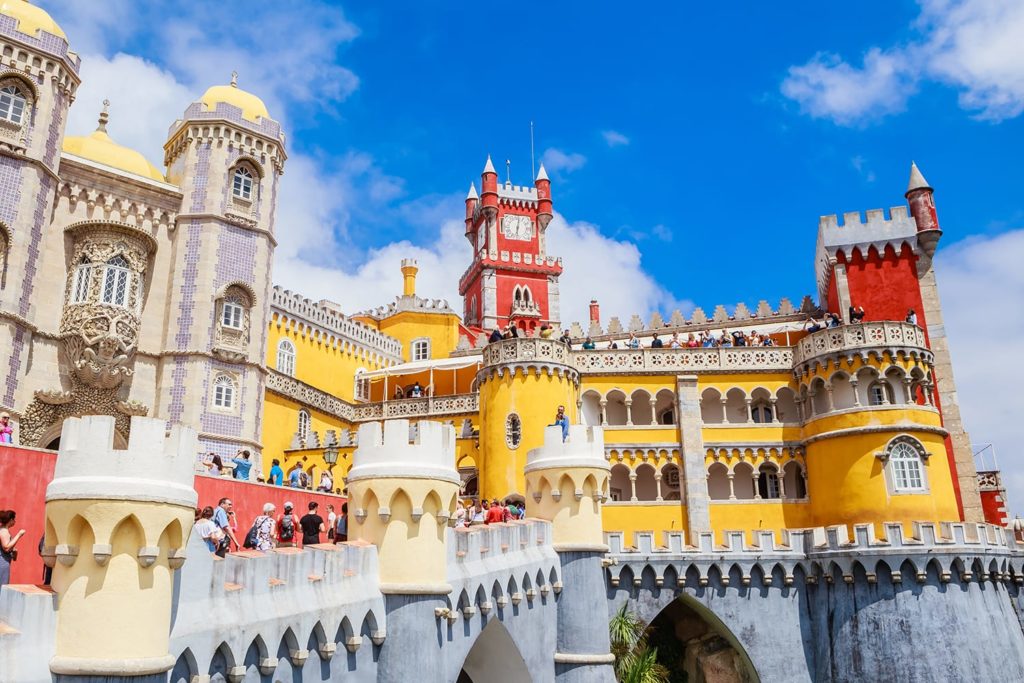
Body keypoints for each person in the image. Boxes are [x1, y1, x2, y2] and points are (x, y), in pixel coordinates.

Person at [0, 509, 25, 587]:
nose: (15, 521)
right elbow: (6, 547)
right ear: (11, 520)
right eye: (14, 519)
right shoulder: (3, 531)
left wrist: (14, 552)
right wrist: (19, 535)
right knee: (2, 587)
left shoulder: (3, 530)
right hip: (2, 563)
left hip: (4, 562)